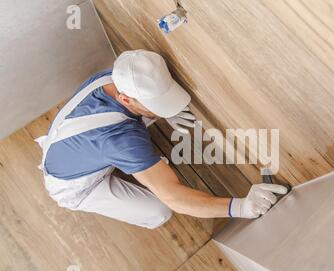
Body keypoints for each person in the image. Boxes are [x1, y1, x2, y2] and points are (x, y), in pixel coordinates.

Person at [36, 49, 287, 229]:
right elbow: (174, 197)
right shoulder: (121, 140)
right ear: (125, 99)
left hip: (72, 143)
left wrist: (160, 113)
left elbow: (131, 115)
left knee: (131, 140)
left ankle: (117, 153)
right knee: (159, 212)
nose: (161, 109)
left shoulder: (108, 78)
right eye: (154, 105)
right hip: (73, 186)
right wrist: (240, 207)